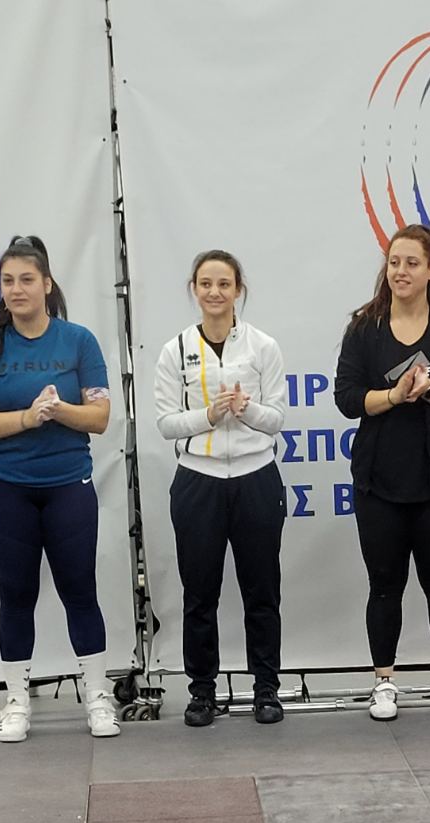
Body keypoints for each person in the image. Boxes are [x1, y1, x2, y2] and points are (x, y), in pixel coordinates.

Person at [0, 235, 117, 743]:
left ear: (47, 284)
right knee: (16, 595)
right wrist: (27, 418)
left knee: (80, 591)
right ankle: (17, 702)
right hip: (9, 488)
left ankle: (98, 697)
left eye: (27, 279)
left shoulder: (78, 341)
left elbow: (99, 417)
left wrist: (59, 410)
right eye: (8, 281)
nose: (17, 289)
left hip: (68, 484)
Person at [335, 224, 430, 721]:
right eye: (394, 262)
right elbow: (347, 398)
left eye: (412, 263)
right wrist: (395, 396)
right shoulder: (364, 328)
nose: (400, 271)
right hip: (378, 480)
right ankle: (384, 683)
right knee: (384, 585)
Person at [153, 249, 288, 727]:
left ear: (238, 290)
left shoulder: (262, 346)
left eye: (224, 284)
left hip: (256, 477)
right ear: (194, 289)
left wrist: (245, 410)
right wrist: (209, 416)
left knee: (262, 590)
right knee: (199, 594)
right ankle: (202, 692)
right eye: (206, 284)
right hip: (199, 480)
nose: (215, 293)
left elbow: (277, 417)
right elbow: (166, 423)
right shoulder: (175, 350)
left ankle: (266, 689)